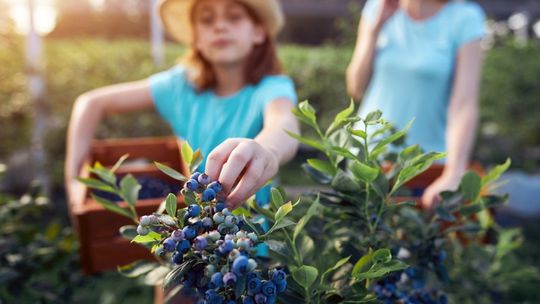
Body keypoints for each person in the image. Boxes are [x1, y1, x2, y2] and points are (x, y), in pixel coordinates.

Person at [64, 0, 300, 215]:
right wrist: (73, 181)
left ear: (258, 32)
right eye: (207, 20)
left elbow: (282, 122)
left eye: (234, 17)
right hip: (189, 234)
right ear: (196, 37)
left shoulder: (272, 87)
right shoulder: (180, 87)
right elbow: (91, 103)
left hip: (250, 236)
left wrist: (268, 150)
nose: (220, 26)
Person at [346, 0, 486, 209]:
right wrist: (374, 30)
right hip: (369, 160)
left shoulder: (465, 18)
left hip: (428, 168)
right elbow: (355, 87)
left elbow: (464, 104)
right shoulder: (378, 7)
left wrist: (454, 173)